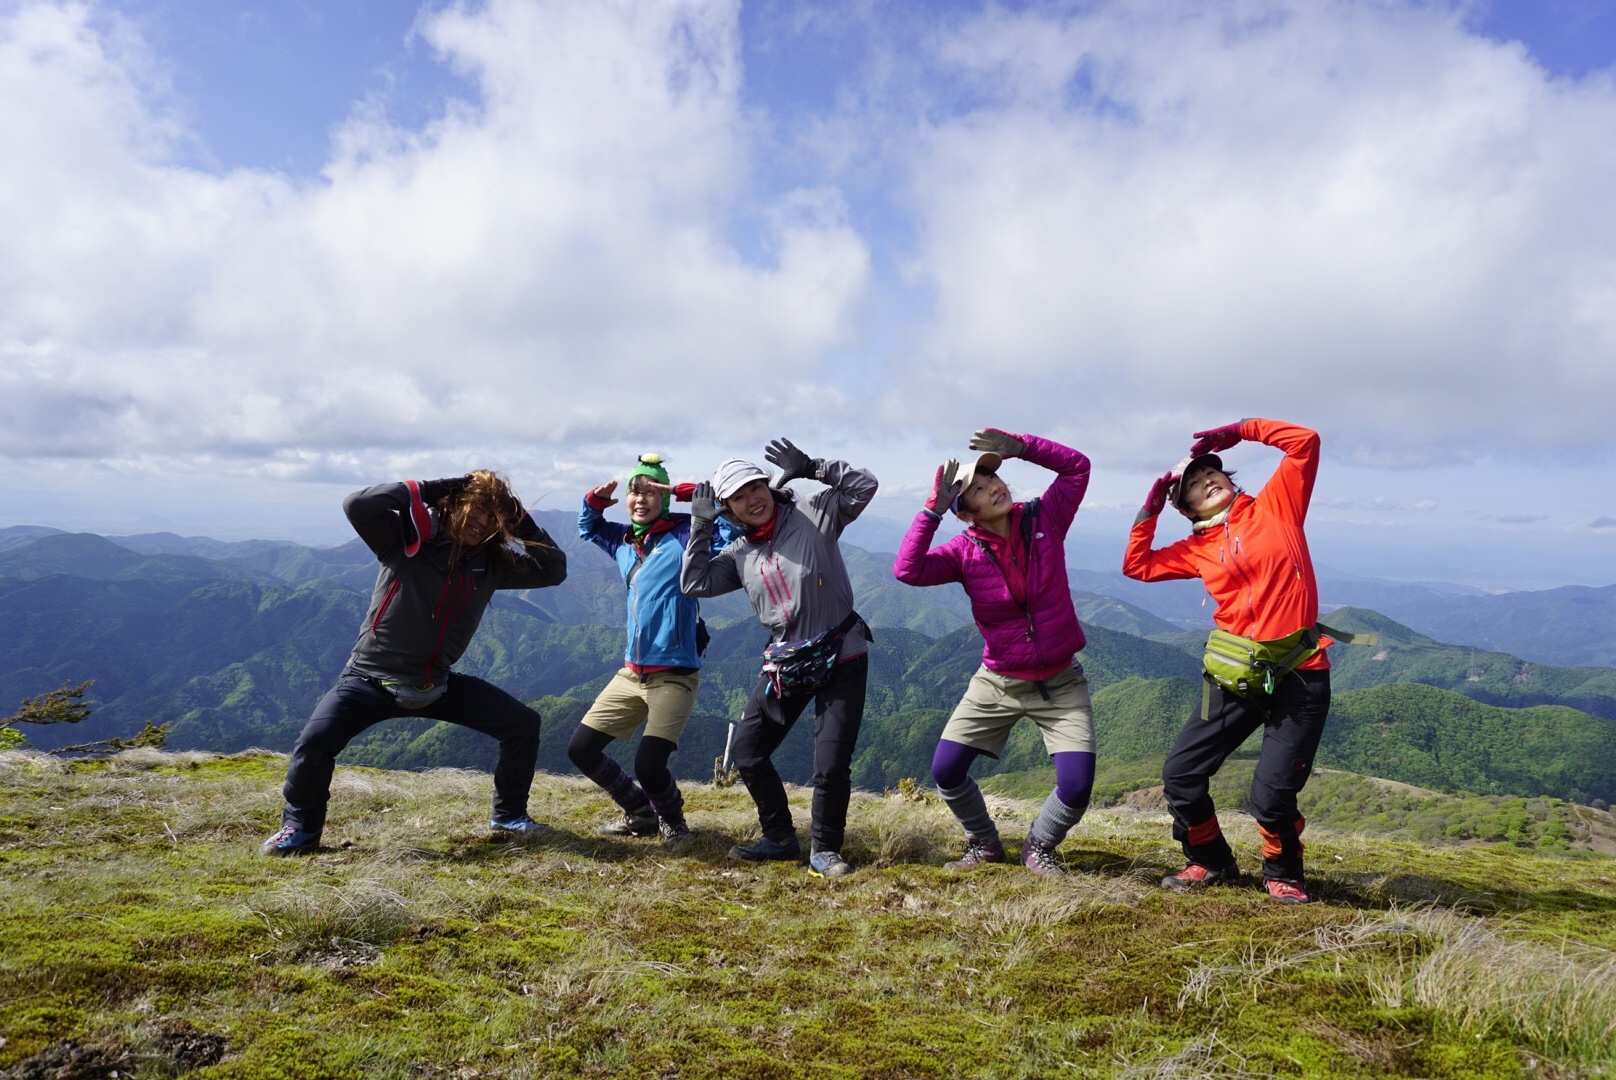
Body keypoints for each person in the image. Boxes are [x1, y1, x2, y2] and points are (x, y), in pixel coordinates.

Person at [260, 471, 567, 855]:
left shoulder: (491, 564)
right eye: (476, 509)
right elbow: (358, 505)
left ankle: (509, 816)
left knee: (522, 724)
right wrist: (436, 488)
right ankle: (300, 830)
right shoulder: (407, 539)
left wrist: (519, 519)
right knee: (314, 742)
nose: (483, 522)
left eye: (494, 515)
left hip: (435, 682)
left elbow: (554, 570)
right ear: (454, 505)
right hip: (371, 677)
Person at [1122, 419, 1331, 904]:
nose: (1206, 481)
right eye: (1192, 485)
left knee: (1271, 796)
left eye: (1210, 473)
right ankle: (1210, 860)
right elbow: (1136, 565)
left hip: (1300, 675)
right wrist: (1148, 511)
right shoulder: (1196, 549)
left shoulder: (1277, 506)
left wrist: (1241, 431)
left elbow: (1305, 442)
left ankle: (1284, 873)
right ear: (1186, 508)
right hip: (1236, 676)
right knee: (1181, 774)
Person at [893, 429, 1096, 875]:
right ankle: (984, 843)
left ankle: (1039, 845)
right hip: (998, 680)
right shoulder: (962, 551)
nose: (993, 487)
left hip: (1061, 681)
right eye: (979, 489)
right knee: (946, 770)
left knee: (1077, 786)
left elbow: (1077, 467)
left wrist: (1021, 447)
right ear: (966, 513)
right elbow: (907, 570)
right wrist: (931, 511)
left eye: (993, 478)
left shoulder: (1046, 518)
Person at [680, 439, 878, 878]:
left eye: (756, 487)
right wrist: (700, 526)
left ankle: (825, 850)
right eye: (739, 496)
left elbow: (864, 486)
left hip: (842, 653)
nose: (753, 499)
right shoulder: (739, 553)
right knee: (748, 751)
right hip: (788, 662)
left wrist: (814, 466)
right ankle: (779, 838)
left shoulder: (812, 513)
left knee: (831, 762)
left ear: (769, 486)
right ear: (729, 509)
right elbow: (695, 584)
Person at [571, 453, 717, 849]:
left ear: (664, 499)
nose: (641, 498)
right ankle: (639, 812)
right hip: (631, 672)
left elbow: (726, 525)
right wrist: (595, 501)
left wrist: (691, 496)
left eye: (651, 491)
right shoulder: (623, 541)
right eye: (635, 491)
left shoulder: (685, 535)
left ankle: (673, 823)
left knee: (649, 765)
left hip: (675, 674)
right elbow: (588, 527)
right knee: (581, 749)